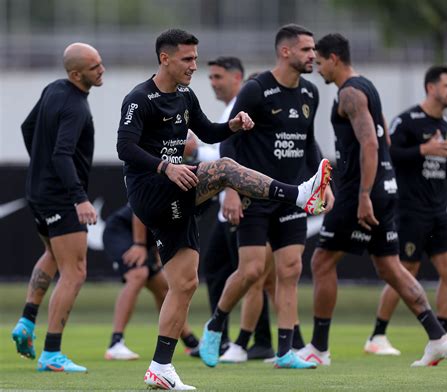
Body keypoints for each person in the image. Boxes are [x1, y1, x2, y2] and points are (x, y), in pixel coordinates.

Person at [116, 28, 331, 390]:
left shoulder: (185, 95)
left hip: (176, 191)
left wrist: (232, 125)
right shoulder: (140, 98)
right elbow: (125, 147)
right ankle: (298, 195)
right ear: (165, 58)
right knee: (227, 170)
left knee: (184, 283)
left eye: (196, 59)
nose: (194, 66)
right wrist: (166, 166)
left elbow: (210, 133)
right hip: (151, 189)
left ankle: (160, 367)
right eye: (187, 59)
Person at [296, 33, 447, 368]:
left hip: (361, 191)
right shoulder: (367, 86)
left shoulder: (350, 92)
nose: (318, 67)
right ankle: (438, 337)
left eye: (321, 61)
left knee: (321, 262)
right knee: (390, 267)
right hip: (385, 189)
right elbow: (381, 128)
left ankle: (319, 348)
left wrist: (364, 195)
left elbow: (370, 143)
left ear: (334, 59)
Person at [199, 24, 334, 370]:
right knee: (251, 271)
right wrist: (229, 189)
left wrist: (323, 183)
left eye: (313, 50)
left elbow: (308, 144)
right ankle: (215, 325)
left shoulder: (310, 94)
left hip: (292, 198)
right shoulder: (256, 90)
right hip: (253, 196)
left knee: (290, 270)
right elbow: (227, 141)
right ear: (285, 52)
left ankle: (285, 352)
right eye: (306, 50)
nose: (312, 56)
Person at [364, 65, 447, 356]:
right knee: (406, 270)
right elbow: (389, 156)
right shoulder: (408, 121)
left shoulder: (445, 124)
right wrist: (423, 150)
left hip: (437, 210)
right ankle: (377, 336)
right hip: (410, 209)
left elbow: (440, 165)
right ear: (431, 88)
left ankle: (443, 337)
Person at [11, 43, 105, 372]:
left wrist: (42, 166)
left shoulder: (53, 89)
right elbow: (62, 155)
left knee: (53, 254)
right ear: (77, 74)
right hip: (61, 196)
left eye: (100, 63)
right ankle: (52, 353)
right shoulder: (76, 106)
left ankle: (26, 321)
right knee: (75, 271)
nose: (101, 69)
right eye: (94, 67)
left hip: (38, 191)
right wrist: (79, 198)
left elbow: (27, 128)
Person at [198, 58, 275, 360]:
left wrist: (230, 190)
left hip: (246, 204)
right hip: (234, 205)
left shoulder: (244, 110)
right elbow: (226, 152)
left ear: (238, 79)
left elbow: (233, 159)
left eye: (218, 76)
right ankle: (238, 339)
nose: (213, 82)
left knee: (253, 272)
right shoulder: (232, 112)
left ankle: (247, 341)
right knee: (238, 271)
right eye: (211, 77)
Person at [103, 204, 199, 360]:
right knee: (138, 275)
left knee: (165, 289)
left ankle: (191, 343)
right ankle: (116, 343)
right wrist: (139, 244)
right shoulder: (178, 186)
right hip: (121, 231)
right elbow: (139, 209)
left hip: (147, 240)